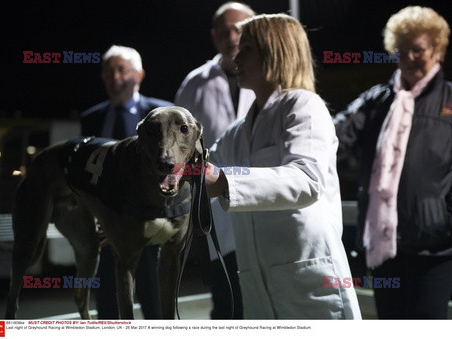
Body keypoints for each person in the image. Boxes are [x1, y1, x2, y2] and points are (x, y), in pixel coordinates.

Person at [204, 13, 361, 319]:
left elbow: (307, 179)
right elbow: (201, 171)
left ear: (275, 51)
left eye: (247, 47)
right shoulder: (236, 133)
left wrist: (225, 182)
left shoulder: (304, 106)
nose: (237, 55)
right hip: (259, 291)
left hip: (310, 283)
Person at [334, 6, 452, 319]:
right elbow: (332, 138)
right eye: (401, 50)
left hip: (435, 247)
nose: (408, 57)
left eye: (418, 49)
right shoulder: (377, 100)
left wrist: (445, 221)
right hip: (384, 247)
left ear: (438, 49)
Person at [174, 2, 255, 319]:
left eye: (239, 28)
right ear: (214, 37)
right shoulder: (195, 84)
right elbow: (177, 149)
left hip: (264, 201)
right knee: (226, 296)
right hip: (215, 205)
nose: (232, 36)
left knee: (262, 293)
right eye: (225, 31)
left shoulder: (273, 76)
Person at [81, 45, 173, 319]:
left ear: (139, 75)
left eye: (122, 70)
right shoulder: (92, 118)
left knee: (154, 303)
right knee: (109, 305)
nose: (115, 77)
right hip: (106, 232)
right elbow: (87, 174)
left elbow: (171, 173)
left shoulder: (162, 113)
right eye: (108, 71)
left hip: (150, 228)